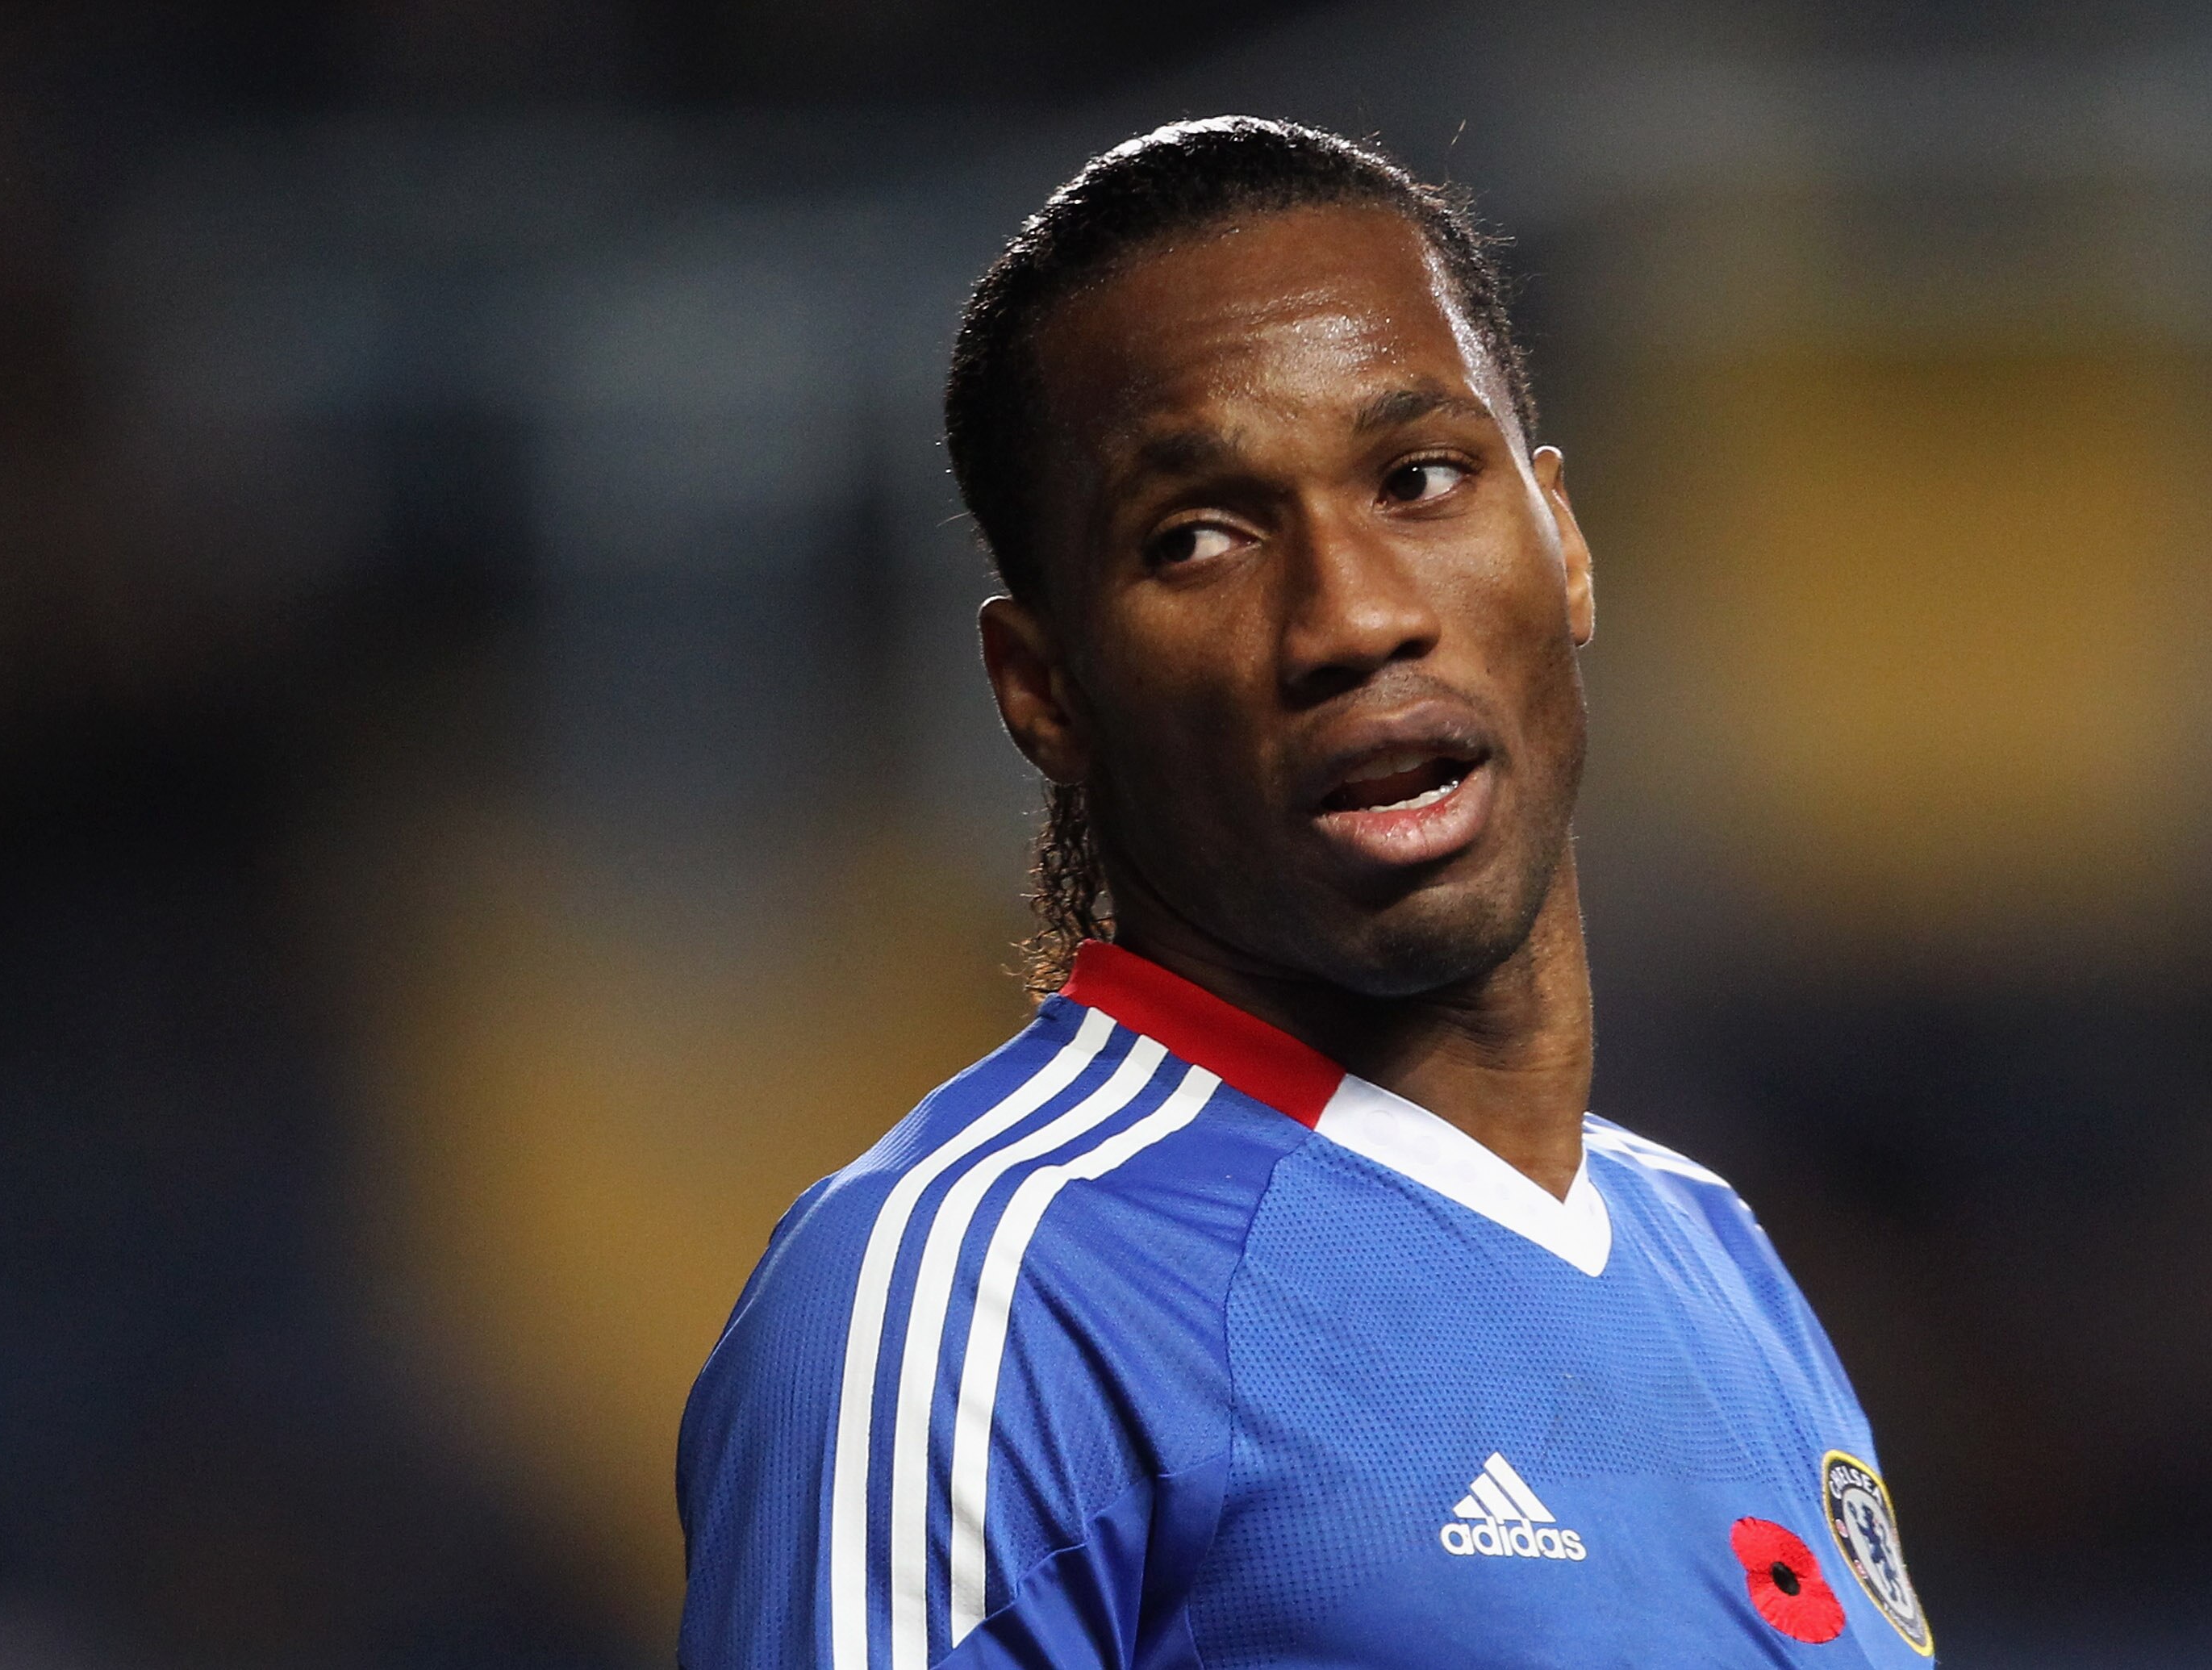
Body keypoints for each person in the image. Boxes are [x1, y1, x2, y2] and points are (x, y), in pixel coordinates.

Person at [675, 116, 1931, 1668]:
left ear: (1564, 542)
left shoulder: (1717, 1259)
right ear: (1044, 687)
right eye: (1197, 538)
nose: (1351, 617)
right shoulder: (970, 1296)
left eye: (1420, 477)